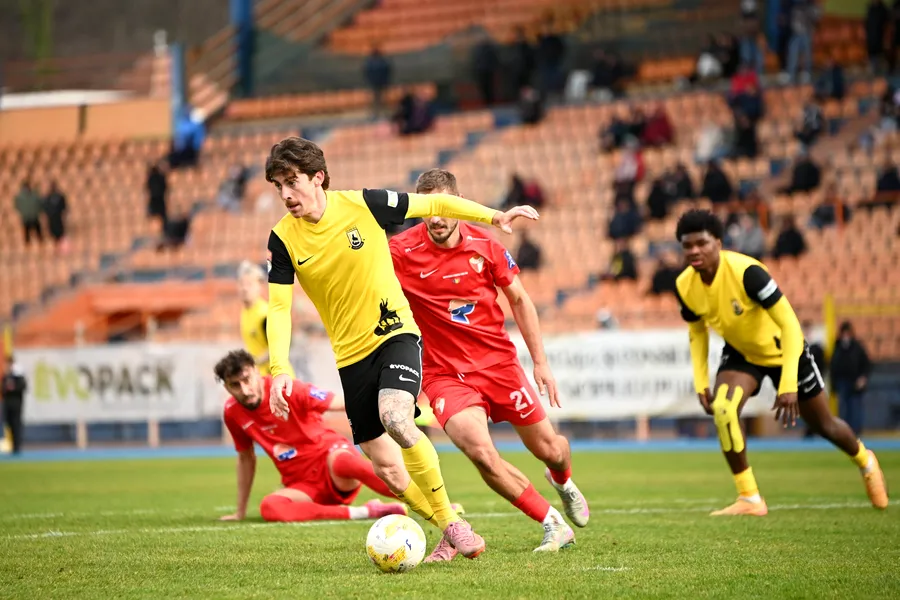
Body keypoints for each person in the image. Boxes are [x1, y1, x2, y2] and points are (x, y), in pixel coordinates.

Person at [263, 137, 538, 558]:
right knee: (388, 469)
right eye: (278, 186)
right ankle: (449, 521)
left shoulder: (365, 205)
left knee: (396, 417)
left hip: (395, 334)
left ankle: (451, 525)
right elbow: (280, 308)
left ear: (317, 178)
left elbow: (435, 204)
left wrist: (494, 216)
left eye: (291, 182)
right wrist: (280, 368)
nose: (285, 194)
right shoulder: (282, 239)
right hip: (349, 356)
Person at [389, 169, 589, 557]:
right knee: (481, 453)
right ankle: (553, 523)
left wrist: (541, 363)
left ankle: (562, 481)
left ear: (461, 204)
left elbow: (520, 300)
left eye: (444, 206)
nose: (436, 217)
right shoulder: (399, 252)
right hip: (444, 374)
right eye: (428, 208)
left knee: (551, 449)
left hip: (499, 366)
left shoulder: (486, 247)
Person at [673, 210, 888, 515]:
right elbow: (697, 332)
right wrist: (701, 382)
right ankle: (749, 497)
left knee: (824, 425)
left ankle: (866, 461)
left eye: (702, 243)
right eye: (687, 245)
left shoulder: (748, 272)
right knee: (724, 409)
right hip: (743, 353)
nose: (694, 251)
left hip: (786, 350)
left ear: (718, 243)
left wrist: (787, 384)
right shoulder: (684, 285)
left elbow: (790, 324)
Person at [215, 350, 408, 523]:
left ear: (256, 372)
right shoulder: (232, 412)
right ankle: (366, 512)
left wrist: (389, 406)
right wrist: (240, 511)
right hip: (303, 486)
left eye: (247, 380)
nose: (244, 390)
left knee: (346, 463)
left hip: (333, 463)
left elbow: (340, 403)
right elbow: (246, 458)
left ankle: (419, 496)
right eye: (235, 385)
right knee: (270, 507)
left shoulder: (287, 390)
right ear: (226, 387)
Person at [237, 260, 294, 378]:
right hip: (260, 377)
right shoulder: (245, 312)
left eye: (249, 284)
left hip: (276, 378)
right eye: (242, 283)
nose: (244, 288)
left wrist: (255, 361)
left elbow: (282, 345)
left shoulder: (265, 314)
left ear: (260, 286)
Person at [830, 322, 872, 436]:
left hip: (855, 383)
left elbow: (866, 364)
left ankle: (856, 432)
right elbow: (833, 367)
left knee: (855, 408)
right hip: (842, 382)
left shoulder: (857, 347)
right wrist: (834, 385)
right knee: (843, 409)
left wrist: (863, 378)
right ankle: (844, 432)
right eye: (843, 334)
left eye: (847, 333)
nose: (845, 336)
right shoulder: (837, 347)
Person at [1, 355, 26, 455]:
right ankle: (11, 445)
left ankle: (17, 446)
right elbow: (2, 390)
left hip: (16, 404)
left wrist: (12, 388)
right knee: (9, 424)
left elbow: (23, 387)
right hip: (7, 404)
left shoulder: (18, 376)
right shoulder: (5, 376)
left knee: (16, 425)